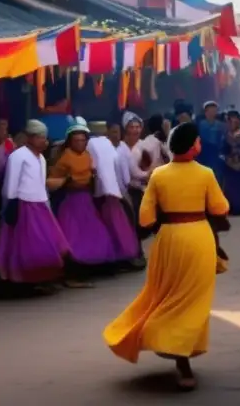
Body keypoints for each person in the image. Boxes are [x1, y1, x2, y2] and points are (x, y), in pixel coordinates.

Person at [104, 122, 230, 391]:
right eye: (198, 140)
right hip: (198, 237)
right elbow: (221, 207)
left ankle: (167, 341)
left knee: (167, 293)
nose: (200, 144)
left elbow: (146, 218)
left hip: (169, 239)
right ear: (192, 144)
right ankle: (180, 356)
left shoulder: (159, 175)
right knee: (192, 299)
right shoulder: (206, 173)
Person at [0, 121, 73, 289]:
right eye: (40, 137)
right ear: (30, 138)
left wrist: (46, 205)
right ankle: (22, 283)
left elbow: (41, 184)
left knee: (46, 246)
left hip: (40, 206)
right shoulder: (18, 156)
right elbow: (10, 185)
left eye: (45, 137)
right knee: (23, 248)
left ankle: (39, 280)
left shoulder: (41, 158)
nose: (44, 141)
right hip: (23, 206)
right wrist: (10, 207)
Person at [48, 120, 114, 269]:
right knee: (73, 234)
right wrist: (68, 180)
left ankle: (91, 264)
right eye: (76, 140)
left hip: (86, 198)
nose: (80, 143)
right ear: (70, 142)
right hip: (71, 200)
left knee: (94, 231)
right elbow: (55, 178)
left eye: (83, 140)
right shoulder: (65, 157)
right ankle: (74, 265)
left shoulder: (87, 155)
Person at [88, 130, 142, 268]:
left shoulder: (96, 145)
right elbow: (125, 178)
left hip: (108, 193)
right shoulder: (110, 147)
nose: (115, 135)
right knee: (121, 225)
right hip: (115, 192)